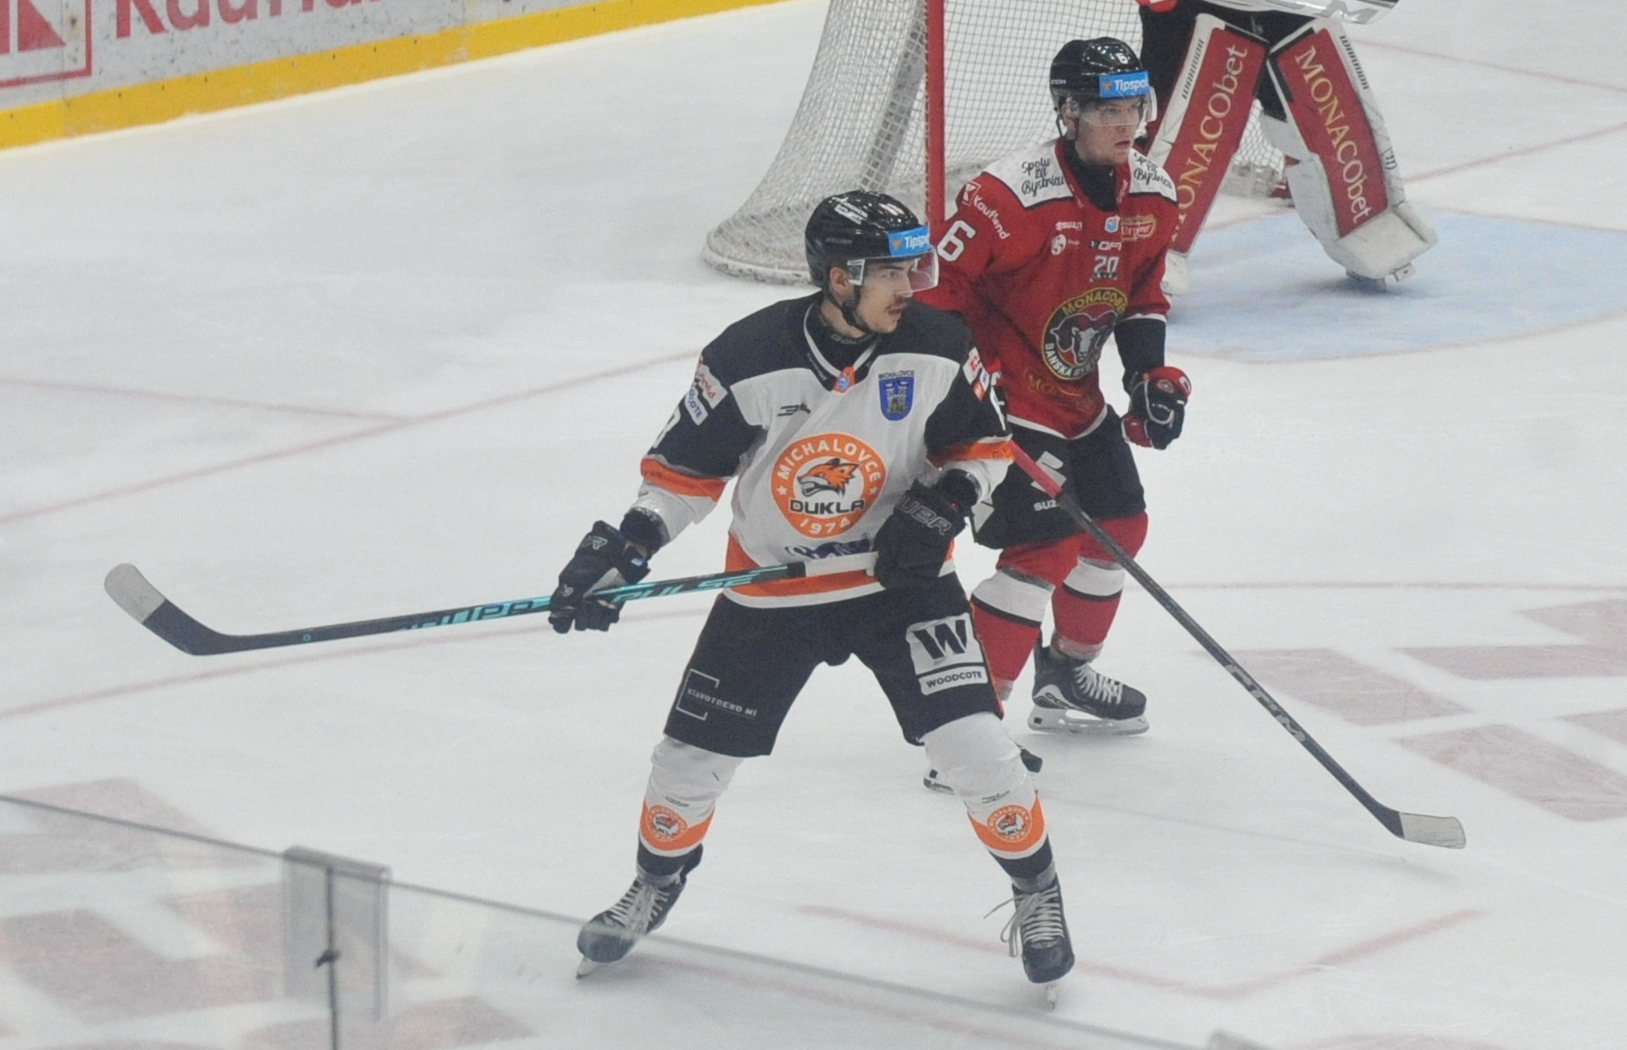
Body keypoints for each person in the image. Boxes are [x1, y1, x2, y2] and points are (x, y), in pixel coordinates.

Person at [549, 191, 1076, 988]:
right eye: (890, 272)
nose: (909, 286)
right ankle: (654, 884)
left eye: (912, 267)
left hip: (902, 587)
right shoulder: (747, 355)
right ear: (838, 278)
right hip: (774, 595)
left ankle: (1037, 891)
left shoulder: (937, 343)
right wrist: (628, 546)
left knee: (974, 747)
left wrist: (947, 500)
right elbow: (684, 475)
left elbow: (982, 446)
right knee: (689, 760)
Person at [917, 38, 1187, 747]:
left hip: (1074, 400)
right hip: (998, 399)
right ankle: (966, 734)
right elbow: (934, 296)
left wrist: (1148, 376)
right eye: (1106, 110)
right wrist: (965, 401)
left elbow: (1142, 296)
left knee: (1120, 529)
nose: (1126, 123)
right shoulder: (1005, 197)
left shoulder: (1154, 193)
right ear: (1068, 112)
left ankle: (1065, 674)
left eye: (1134, 107)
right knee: (1045, 550)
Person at [1135, 0, 1437, 295]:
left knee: (1320, 120)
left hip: (1289, 10)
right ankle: (1138, 249)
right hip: (1193, 12)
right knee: (1182, 129)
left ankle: (1365, 225)